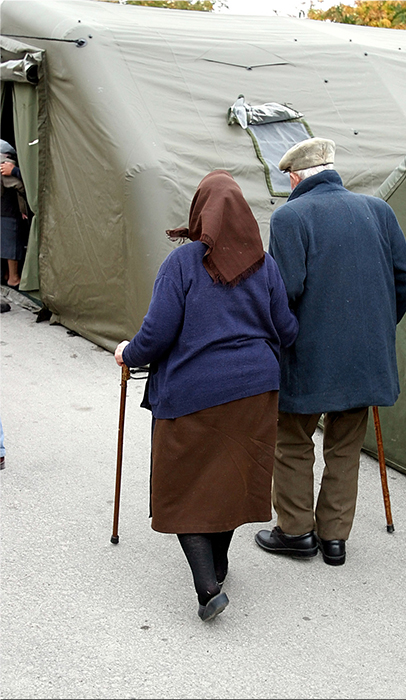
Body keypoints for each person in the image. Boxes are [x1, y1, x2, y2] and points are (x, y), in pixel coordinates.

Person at [114, 170, 298, 621]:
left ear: (200, 211)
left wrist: (127, 352)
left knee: (182, 486)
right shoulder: (265, 265)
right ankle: (218, 562)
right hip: (256, 390)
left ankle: (207, 586)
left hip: (193, 392)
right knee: (231, 479)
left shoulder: (181, 264)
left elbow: (156, 336)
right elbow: (288, 330)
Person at [255, 137, 406, 566]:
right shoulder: (379, 210)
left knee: (291, 441)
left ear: (294, 177)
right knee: (345, 446)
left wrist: (279, 342)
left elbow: (284, 294)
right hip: (366, 359)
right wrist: (376, 329)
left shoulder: (290, 216)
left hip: (308, 358)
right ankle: (334, 540)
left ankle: (295, 533)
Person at [0, 139, 28, 289]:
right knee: (11, 243)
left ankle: (7, 276)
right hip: (9, 211)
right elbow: (22, 188)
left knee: (6, 243)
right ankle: (13, 278)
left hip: (6, 209)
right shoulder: (5, 166)